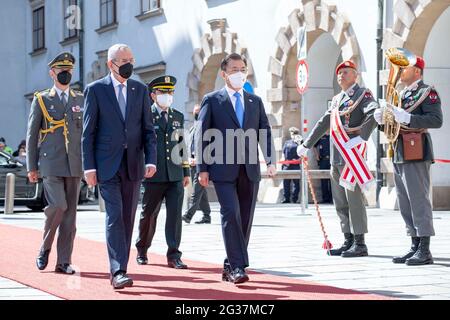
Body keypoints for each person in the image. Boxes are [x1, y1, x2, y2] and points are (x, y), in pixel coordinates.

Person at [197, 53, 276, 284]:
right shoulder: (212, 100)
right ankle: (238, 268)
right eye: (233, 69)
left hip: (249, 169)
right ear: (224, 74)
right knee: (230, 213)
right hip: (222, 169)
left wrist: (270, 160)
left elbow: (265, 132)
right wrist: (202, 168)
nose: (239, 73)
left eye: (242, 68)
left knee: (244, 219)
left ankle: (230, 264)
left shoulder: (255, 101)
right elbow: (202, 135)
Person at [82, 44, 157, 289]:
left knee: (128, 217)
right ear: (110, 63)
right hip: (106, 165)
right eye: (123, 59)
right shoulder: (95, 90)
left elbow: (148, 130)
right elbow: (88, 133)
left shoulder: (140, 89)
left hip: (133, 164)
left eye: (131, 59)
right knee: (115, 216)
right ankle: (118, 271)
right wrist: (89, 167)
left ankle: (121, 267)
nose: (128, 64)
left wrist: (151, 159)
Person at [297, 60, 378, 257]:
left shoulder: (362, 94)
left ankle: (360, 242)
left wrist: (362, 137)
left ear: (355, 75)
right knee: (340, 201)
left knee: (354, 200)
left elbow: (374, 114)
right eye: (339, 73)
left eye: (347, 72)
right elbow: (324, 122)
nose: (341, 76)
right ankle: (347, 239)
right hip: (337, 157)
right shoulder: (336, 99)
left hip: (352, 158)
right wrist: (306, 144)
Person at [373, 56, 443, 265]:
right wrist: (381, 122)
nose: (401, 70)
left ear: (418, 72)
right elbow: (393, 126)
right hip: (399, 150)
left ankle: (424, 248)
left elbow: (436, 120)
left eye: (406, 67)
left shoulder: (427, 93)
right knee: (405, 200)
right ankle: (414, 244)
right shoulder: (400, 94)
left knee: (419, 200)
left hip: (416, 149)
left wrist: (408, 118)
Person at [26, 52, 84, 275]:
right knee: (58, 207)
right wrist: (32, 166)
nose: (65, 73)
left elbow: (86, 134)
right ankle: (45, 248)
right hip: (51, 164)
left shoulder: (79, 99)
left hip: (75, 164)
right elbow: (32, 135)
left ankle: (64, 262)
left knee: (70, 216)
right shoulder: (41, 99)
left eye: (68, 70)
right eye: (61, 70)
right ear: (52, 73)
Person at [135, 75, 190, 269]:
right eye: (163, 92)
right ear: (153, 95)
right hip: (153, 175)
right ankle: (142, 248)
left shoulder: (178, 116)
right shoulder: (145, 115)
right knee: (149, 215)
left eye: (170, 92)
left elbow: (181, 144)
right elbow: (139, 145)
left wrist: (186, 172)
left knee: (175, 217)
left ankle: (174, 255)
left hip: (174, 174)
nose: (167, 95)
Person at [182, 104, 212, 224]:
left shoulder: (208, 128)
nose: (196, 114)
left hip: (202, 164)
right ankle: (206, 216)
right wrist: (189, 158)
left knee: (196, 191)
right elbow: (191, 146)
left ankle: (188, 215)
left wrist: (199, 159)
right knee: (201, 192)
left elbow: (208, 147)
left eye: (198, 112)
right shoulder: (193, 127)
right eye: (195, 112)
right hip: (192, 163)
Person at [281, 127, 301, 203]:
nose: (293, 135)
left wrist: (298, 160)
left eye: (295, 133)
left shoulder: (299, 142)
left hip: (295, 165)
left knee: (296, 183)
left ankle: (294, 199)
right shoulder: (287, 142)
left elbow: (303, 155)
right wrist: (283, 160)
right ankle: (286, 198)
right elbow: (283, 153)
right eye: (292, 133)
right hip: (286, 165)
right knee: (286, 183)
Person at [313, 132, 332, 203]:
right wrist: (316, 156)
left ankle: (332, 198)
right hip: (323, 160)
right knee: (323, 180)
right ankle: (325, 199)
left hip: (332, 161)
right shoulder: (321, 136)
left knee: (332, 180)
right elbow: (314, 146)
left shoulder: (333, 135)